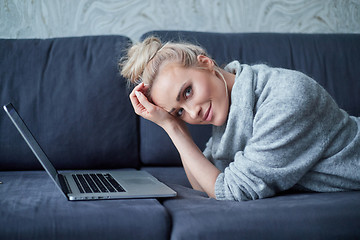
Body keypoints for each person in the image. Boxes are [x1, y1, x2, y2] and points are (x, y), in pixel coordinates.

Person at [119, 36, 360, 201]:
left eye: (188, 91)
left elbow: (230, 190)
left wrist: (173, 124)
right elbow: (201, 183)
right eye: (179, 110)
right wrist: (172, 124)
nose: (193, 113)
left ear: (206, 63)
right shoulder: (230, 108)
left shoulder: (287, 98)